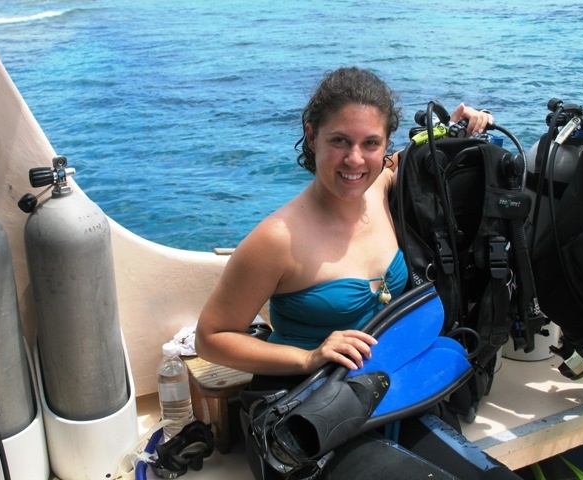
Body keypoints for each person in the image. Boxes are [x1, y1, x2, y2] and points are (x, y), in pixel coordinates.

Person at [195, 67, 515, 479]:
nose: (354, 160)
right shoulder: (277, 239)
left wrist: (460, 125)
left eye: (370, 144)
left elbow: (425, 157)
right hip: (305, 408)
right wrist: (308, 356)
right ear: (312, 137)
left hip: (390, 386)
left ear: (385, 147)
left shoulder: (382, 186)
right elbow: (211, 338)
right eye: (339, 141)